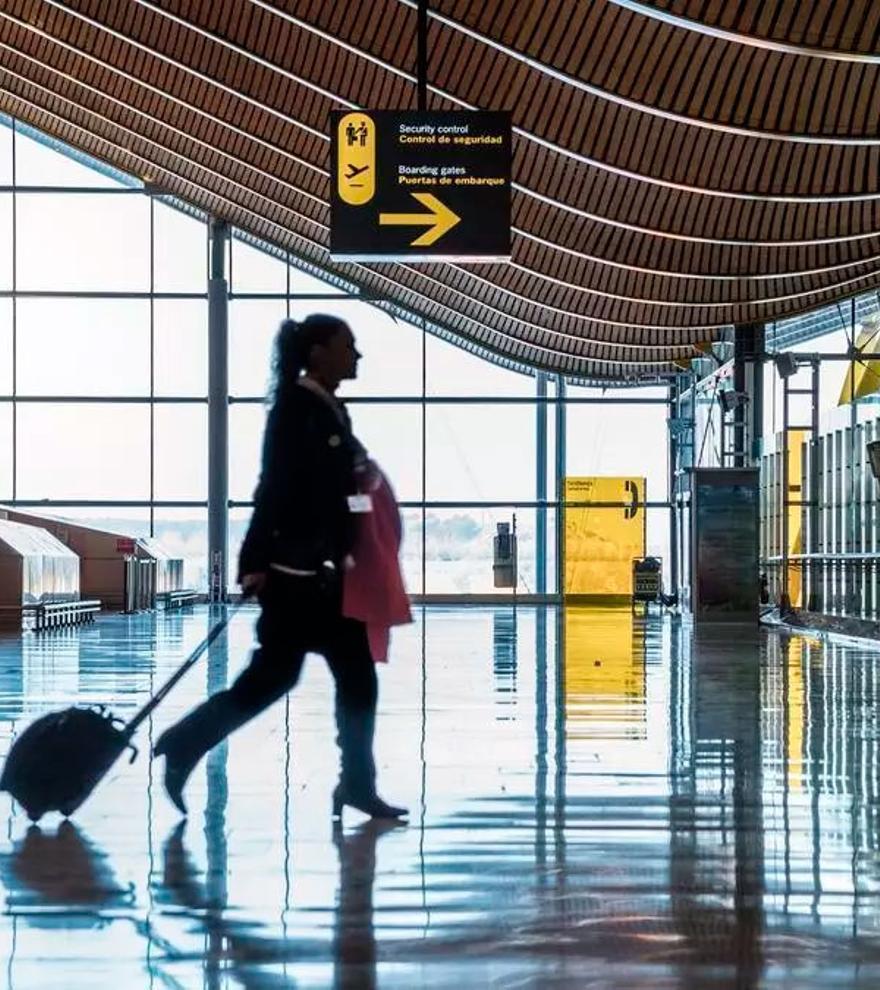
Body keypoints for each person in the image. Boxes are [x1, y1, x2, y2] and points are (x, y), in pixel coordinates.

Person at [153, 314, 407, 820]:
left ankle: (356, 784)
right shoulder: (297, 408)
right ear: (317, 352)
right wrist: (253, 562)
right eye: (347, 345)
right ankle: (184, 741)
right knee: (274, 679)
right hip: (296, 578)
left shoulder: (328, 410)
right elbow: (273, 485)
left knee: (352, 678)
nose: (356, 356)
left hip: (324, 576)